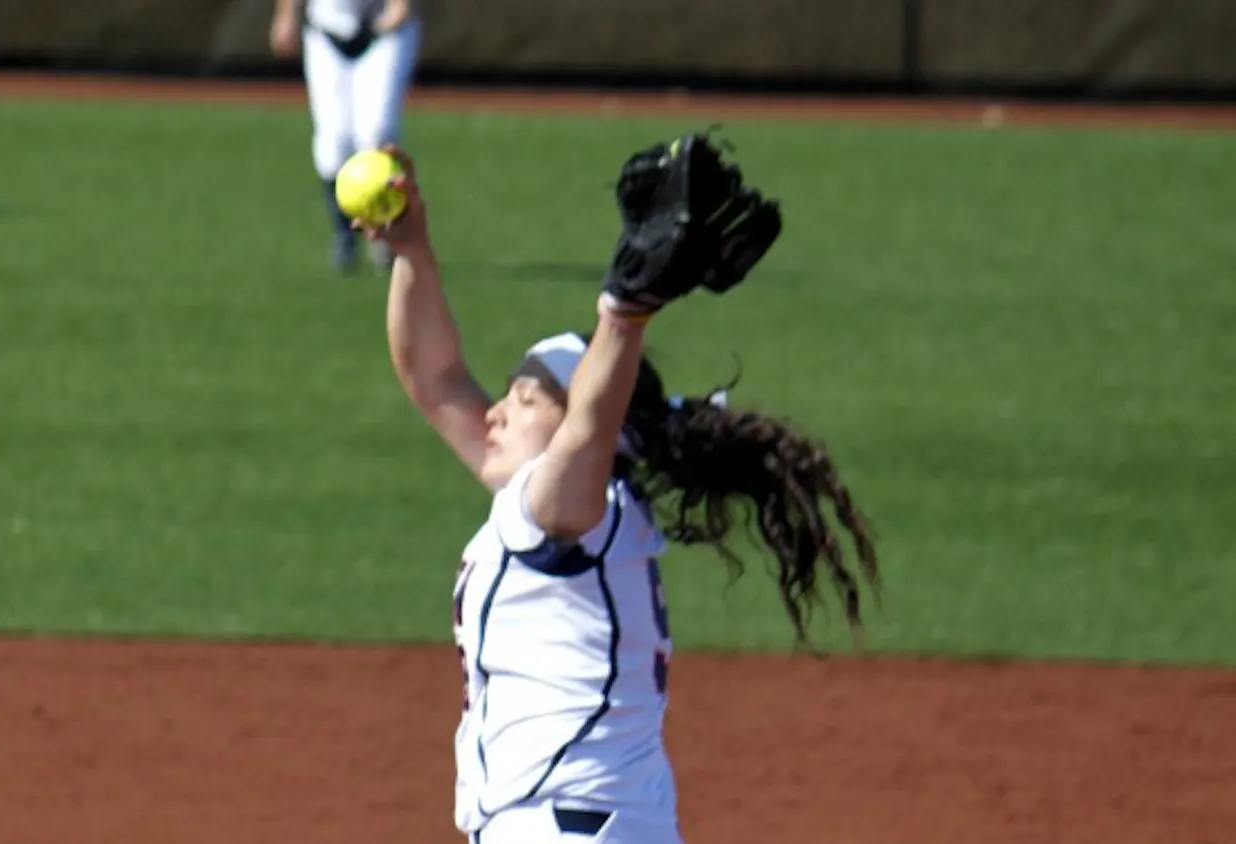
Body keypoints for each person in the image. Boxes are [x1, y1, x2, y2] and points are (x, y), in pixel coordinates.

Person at [355, 144, 881, 844]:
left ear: (583, 420)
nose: (496, 411)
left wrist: (623, 316)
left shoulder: (569, 513)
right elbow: (436, 376)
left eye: (524, 396)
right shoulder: (564, 511)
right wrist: (412, 247)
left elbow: (587, 428)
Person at [270, 0, 422, 274]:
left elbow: (401, 10)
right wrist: (286, 16)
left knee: (376, 132)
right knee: (333, 140)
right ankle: (345, 233)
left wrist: (400, 6)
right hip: (328, 28)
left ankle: (385, 230)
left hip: (385, 28)